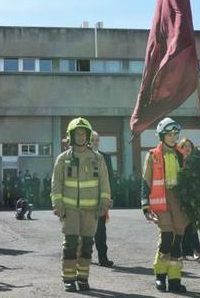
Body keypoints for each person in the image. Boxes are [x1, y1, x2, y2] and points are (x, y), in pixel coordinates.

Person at [51, 117, 112, 292]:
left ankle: (83, 278)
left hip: (91, 210)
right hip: (69, 210)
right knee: (70, 244)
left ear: (87, 135)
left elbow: (104, 183)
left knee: (87, 245)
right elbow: (56, 183)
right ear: (71, 135)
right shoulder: (63, 159)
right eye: (76, 133)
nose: (80, 136)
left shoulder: (97, 158)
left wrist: (104, 203)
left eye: (83, 133)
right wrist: (58, 204)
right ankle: (69, 278)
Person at [142, 118, 190, 293]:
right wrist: (145, 206)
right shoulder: (153, 154)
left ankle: (175, 279)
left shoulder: (181, 154)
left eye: (175, 134)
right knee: (167, 237)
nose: (173, 137)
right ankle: (160, 276)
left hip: (178, 201)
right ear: (162, 135)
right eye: (169, 134)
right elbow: (146, 181)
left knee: (178, 239)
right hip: (161, 200)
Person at [90, 131, 116, 267]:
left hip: (101, 200)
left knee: (101, 230)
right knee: (86, 231)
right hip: (86, 200)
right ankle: (85, 255)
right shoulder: (82, 157)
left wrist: (110, 197)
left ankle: (103, 258)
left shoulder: (105, 157)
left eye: (97, 140)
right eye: (92, 140)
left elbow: (110, 178)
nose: (95, 143)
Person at [177, 138, 200, 260]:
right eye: (184, 146)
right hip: (179, 197)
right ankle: (182, 251)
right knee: (181, 224)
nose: (187, 148)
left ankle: (195, 250)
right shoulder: (177, 162)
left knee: (191, 224)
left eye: (189, 146)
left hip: (192, 197)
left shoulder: (196, 163)